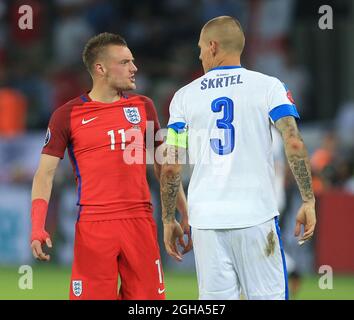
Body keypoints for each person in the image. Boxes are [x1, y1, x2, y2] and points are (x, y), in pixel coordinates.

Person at [160, 16, 316, 300]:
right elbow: (293, 142)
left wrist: (169, 218)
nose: (199, 55)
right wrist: (308, 199)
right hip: (255, 216)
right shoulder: (269, 87)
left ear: (213, 46)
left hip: (205, 221)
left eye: (200, 48)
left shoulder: (183, 97)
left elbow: (171, 166)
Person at [30, 32, 189, 300]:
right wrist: (37, 226)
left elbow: (165, 166)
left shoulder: (144, 107)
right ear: (100, 68)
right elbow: (44, 174)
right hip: (94, 224)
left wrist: (181, 214)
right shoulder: (66, 115)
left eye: (133, 61)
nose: (134, 68)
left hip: (140, 220)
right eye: (125, 62)